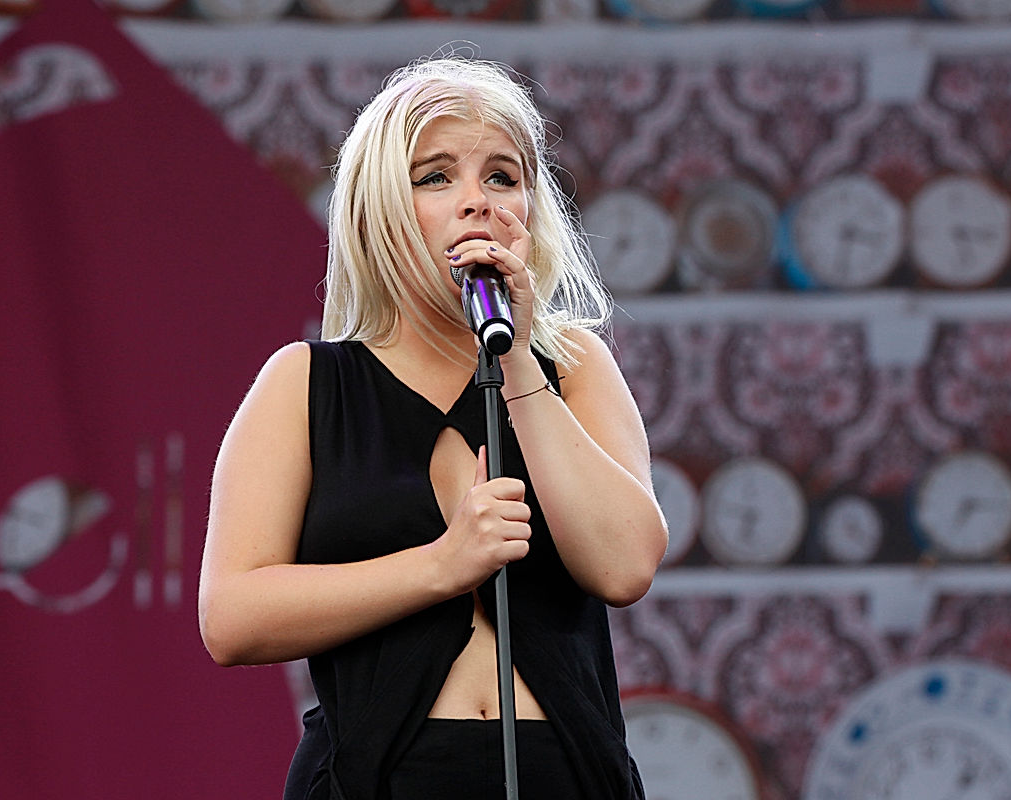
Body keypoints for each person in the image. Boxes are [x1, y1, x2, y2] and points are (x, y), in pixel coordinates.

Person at [198, 55, 668, 800]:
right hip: (375, 777)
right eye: (436, 176)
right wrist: (443, 565)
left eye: (503, 177)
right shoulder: (305, 383)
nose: (478, 202)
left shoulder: (572, 365)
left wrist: (518, 359)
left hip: (565, 774)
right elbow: (232, 618)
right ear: (380, 209)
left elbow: (624, 565)